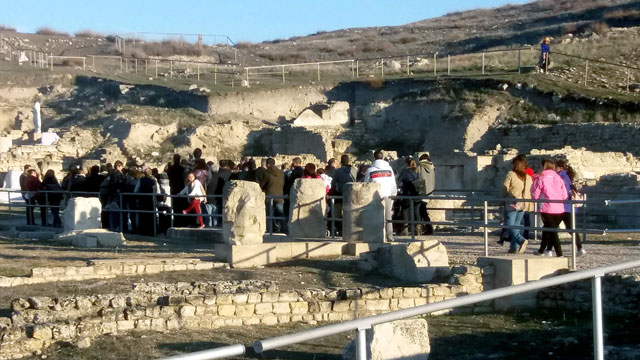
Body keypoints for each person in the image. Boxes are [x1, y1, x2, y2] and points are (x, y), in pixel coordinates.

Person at [531, 159, 568, 257]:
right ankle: (542, 250)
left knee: (552, 231)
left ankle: (559, 253)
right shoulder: (559, 178)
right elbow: (564, 195)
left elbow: (535, 194)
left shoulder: (541, 178)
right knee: (547, 229)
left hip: (547, 207)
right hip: (560, 208)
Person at [364, 150, 398, 242]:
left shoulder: (370, 170)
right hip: (387, 195)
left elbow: (366, 184)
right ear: (382, 158)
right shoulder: (389, 169)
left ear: (374, 158)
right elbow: (393, 184)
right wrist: (393, 195)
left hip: (374, 196)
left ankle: (376, 237)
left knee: (375, 217)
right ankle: (390, 237)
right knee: (388, 218)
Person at [502, 156, 533, 254]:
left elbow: (504, 187)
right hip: (523, 203)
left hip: (513, 202)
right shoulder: (528, 177)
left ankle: (521, 240)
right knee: (516, 225)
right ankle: (513, 247)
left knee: (509, 224)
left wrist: (503, 197)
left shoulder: (511, 174)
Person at [556, 159, 586, 256]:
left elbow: (561, 192)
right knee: (570, 228)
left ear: (560, 167)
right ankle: (580, 248)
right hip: (570, 207)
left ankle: (547, 250)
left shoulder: (561, 177)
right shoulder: (569, 176)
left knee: (551, 228)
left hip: (563, 206)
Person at [330, 155, 357, 235]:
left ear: (341, 162)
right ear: (348, 161)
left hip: (340, 195)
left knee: (338, 214)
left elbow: (333, 183)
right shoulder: (354, 170)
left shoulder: (338, 171)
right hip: (353, 195)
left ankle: (341, 230)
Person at [258, 158, 287, 233]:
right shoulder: (281, 173)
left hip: (269, 196)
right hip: (280, 196)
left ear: (268, 164)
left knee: (269, 215)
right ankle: (283, 230)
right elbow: (283, 183)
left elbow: (262, 184)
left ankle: (270, 230)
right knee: (280, 214)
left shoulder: (267, 173)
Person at [396, 158, 419, 236]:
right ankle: (417, 229)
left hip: (407, 193)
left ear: (406, 163)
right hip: (416, 193)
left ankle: (405, 229)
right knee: (416, 211)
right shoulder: (417, 171)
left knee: (405, 210)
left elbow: (398, 181)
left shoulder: (405, 171)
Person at [415, 153, 436, 235]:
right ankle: (427, 228)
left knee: (421, 210)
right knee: (422, 210)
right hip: (430, 191)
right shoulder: (432, 167)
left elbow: (418, 179)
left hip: (422, 191)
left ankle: (428, 228)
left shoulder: (420, 166)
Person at [107, 161, 125, 231]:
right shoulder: (118, 174)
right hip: (116, 195)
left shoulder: (111, 173)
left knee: (112, 212)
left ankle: (113, 226)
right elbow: (119, 184)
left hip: (112, 194)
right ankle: (116, 226)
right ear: (119, 166)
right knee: (117, 212)